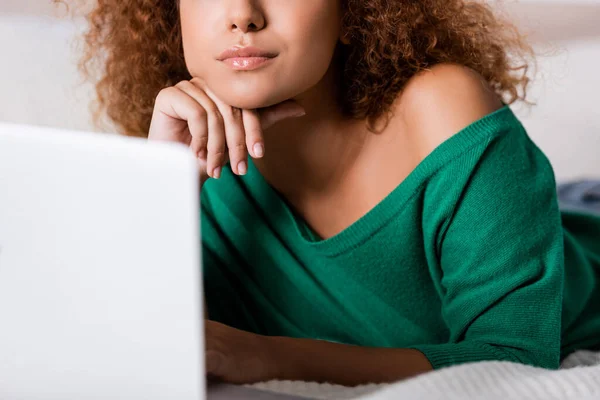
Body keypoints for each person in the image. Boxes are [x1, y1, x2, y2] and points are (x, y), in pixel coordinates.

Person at [63, 0, 600, 386]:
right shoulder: (189, 161)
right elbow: (130, 342)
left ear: (352, 11)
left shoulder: (443, 112)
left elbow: (515, 357)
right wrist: (164, 185)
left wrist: (268, 357)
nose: (243, 15)